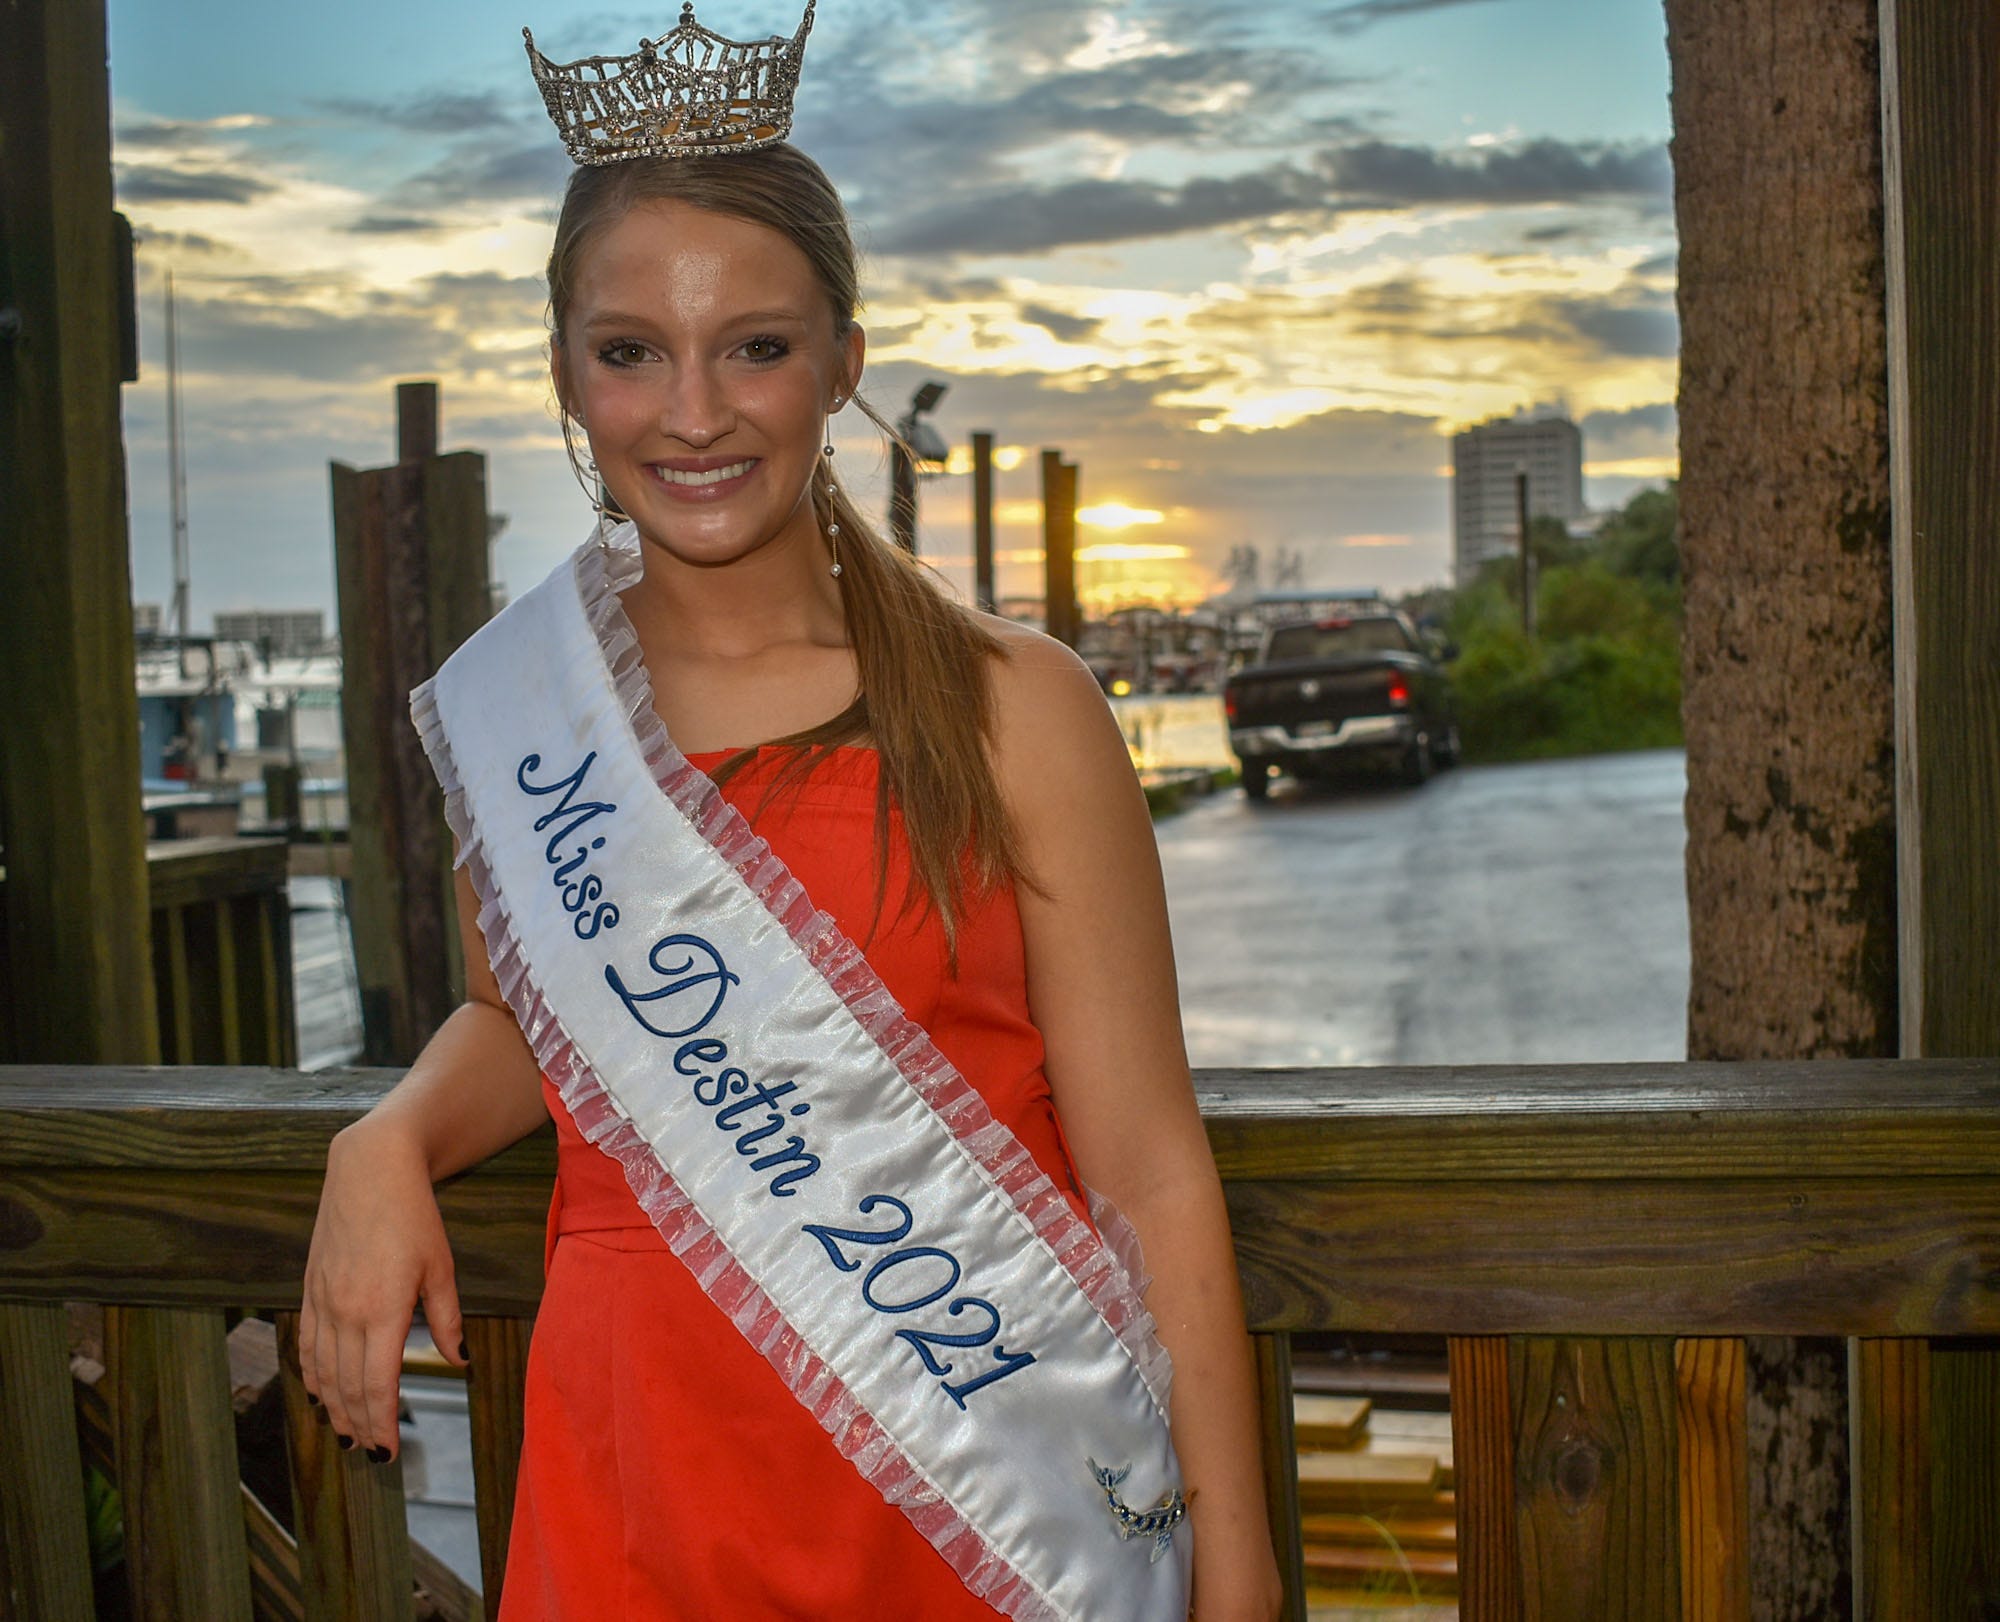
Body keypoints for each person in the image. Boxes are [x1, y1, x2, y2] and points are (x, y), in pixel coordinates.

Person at [301, 7, 1282, 1619]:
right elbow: (533, 1018)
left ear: (842, 359)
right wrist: (390, 1130)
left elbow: (1152, 1169)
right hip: (636, 1489)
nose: (694, 413)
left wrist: (1234, 1576)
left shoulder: (1010, 706)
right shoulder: (528, 719)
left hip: (970, 1507)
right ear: (567, 369)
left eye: (755, 345)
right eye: (631, 351)